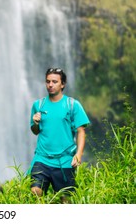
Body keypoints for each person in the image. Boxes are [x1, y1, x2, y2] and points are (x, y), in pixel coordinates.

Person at [29, 68, 90, 203]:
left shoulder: (73, 105)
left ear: (62, 84)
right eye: (48, 81)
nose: (50, 85)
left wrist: (78, 155)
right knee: (35, 191)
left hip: (64, 161)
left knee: (65, 200)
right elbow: (35, 131)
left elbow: (81, 131)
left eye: (55, 82)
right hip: (42, 158)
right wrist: (35, 123)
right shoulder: (38, 105)